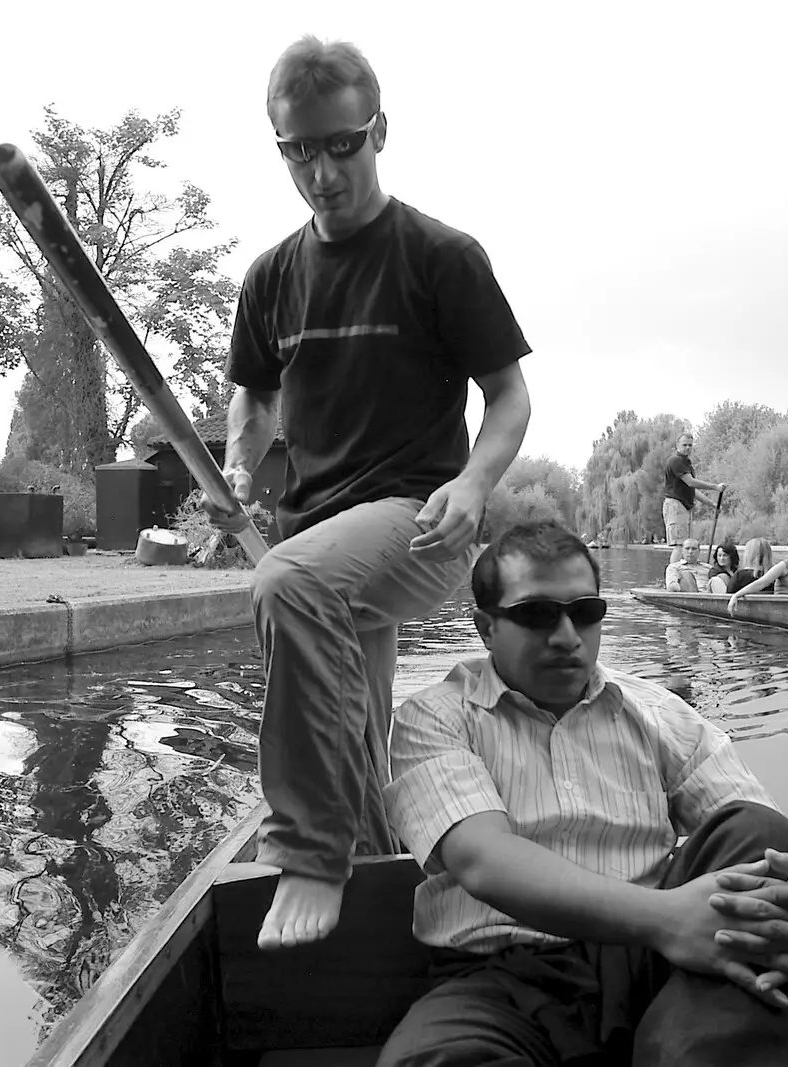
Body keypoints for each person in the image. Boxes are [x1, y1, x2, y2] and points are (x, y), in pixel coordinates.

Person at [202, 36, 532, 952]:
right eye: (297, 151)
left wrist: (474, 484)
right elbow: (256, 397)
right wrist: (237, 468)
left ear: (378, 130)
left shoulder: (440, 256)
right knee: (357, 721)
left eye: (339, 145)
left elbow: (508, 396)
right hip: (318, 526)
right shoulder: (269, 276)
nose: (320, 172)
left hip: (420, 518)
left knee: (285, 587)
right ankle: (380, 860)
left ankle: (311, 854)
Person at [379, 523, 788, 1065]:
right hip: (503, 977)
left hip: (662, 963)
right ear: (485, 628)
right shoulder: (436, 717)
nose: (567, 636)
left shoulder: (656, 711)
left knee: (755, 830)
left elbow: (767, 826)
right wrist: (666, 918)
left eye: (586, 613)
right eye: (538, 615)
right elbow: (482, 859)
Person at [663, 432, 726, 552]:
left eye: (690, 445)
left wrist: (712, 505)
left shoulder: (686, 463)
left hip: (684, 507)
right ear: (677, 445)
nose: (688, 448)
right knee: (680, 545)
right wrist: (715, 487)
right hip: (675, 506)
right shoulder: (675, 461)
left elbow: (692, 490)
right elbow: (691, 482)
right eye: (685, 445)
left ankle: (685, 570)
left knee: (686, 544)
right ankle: (674, 571)